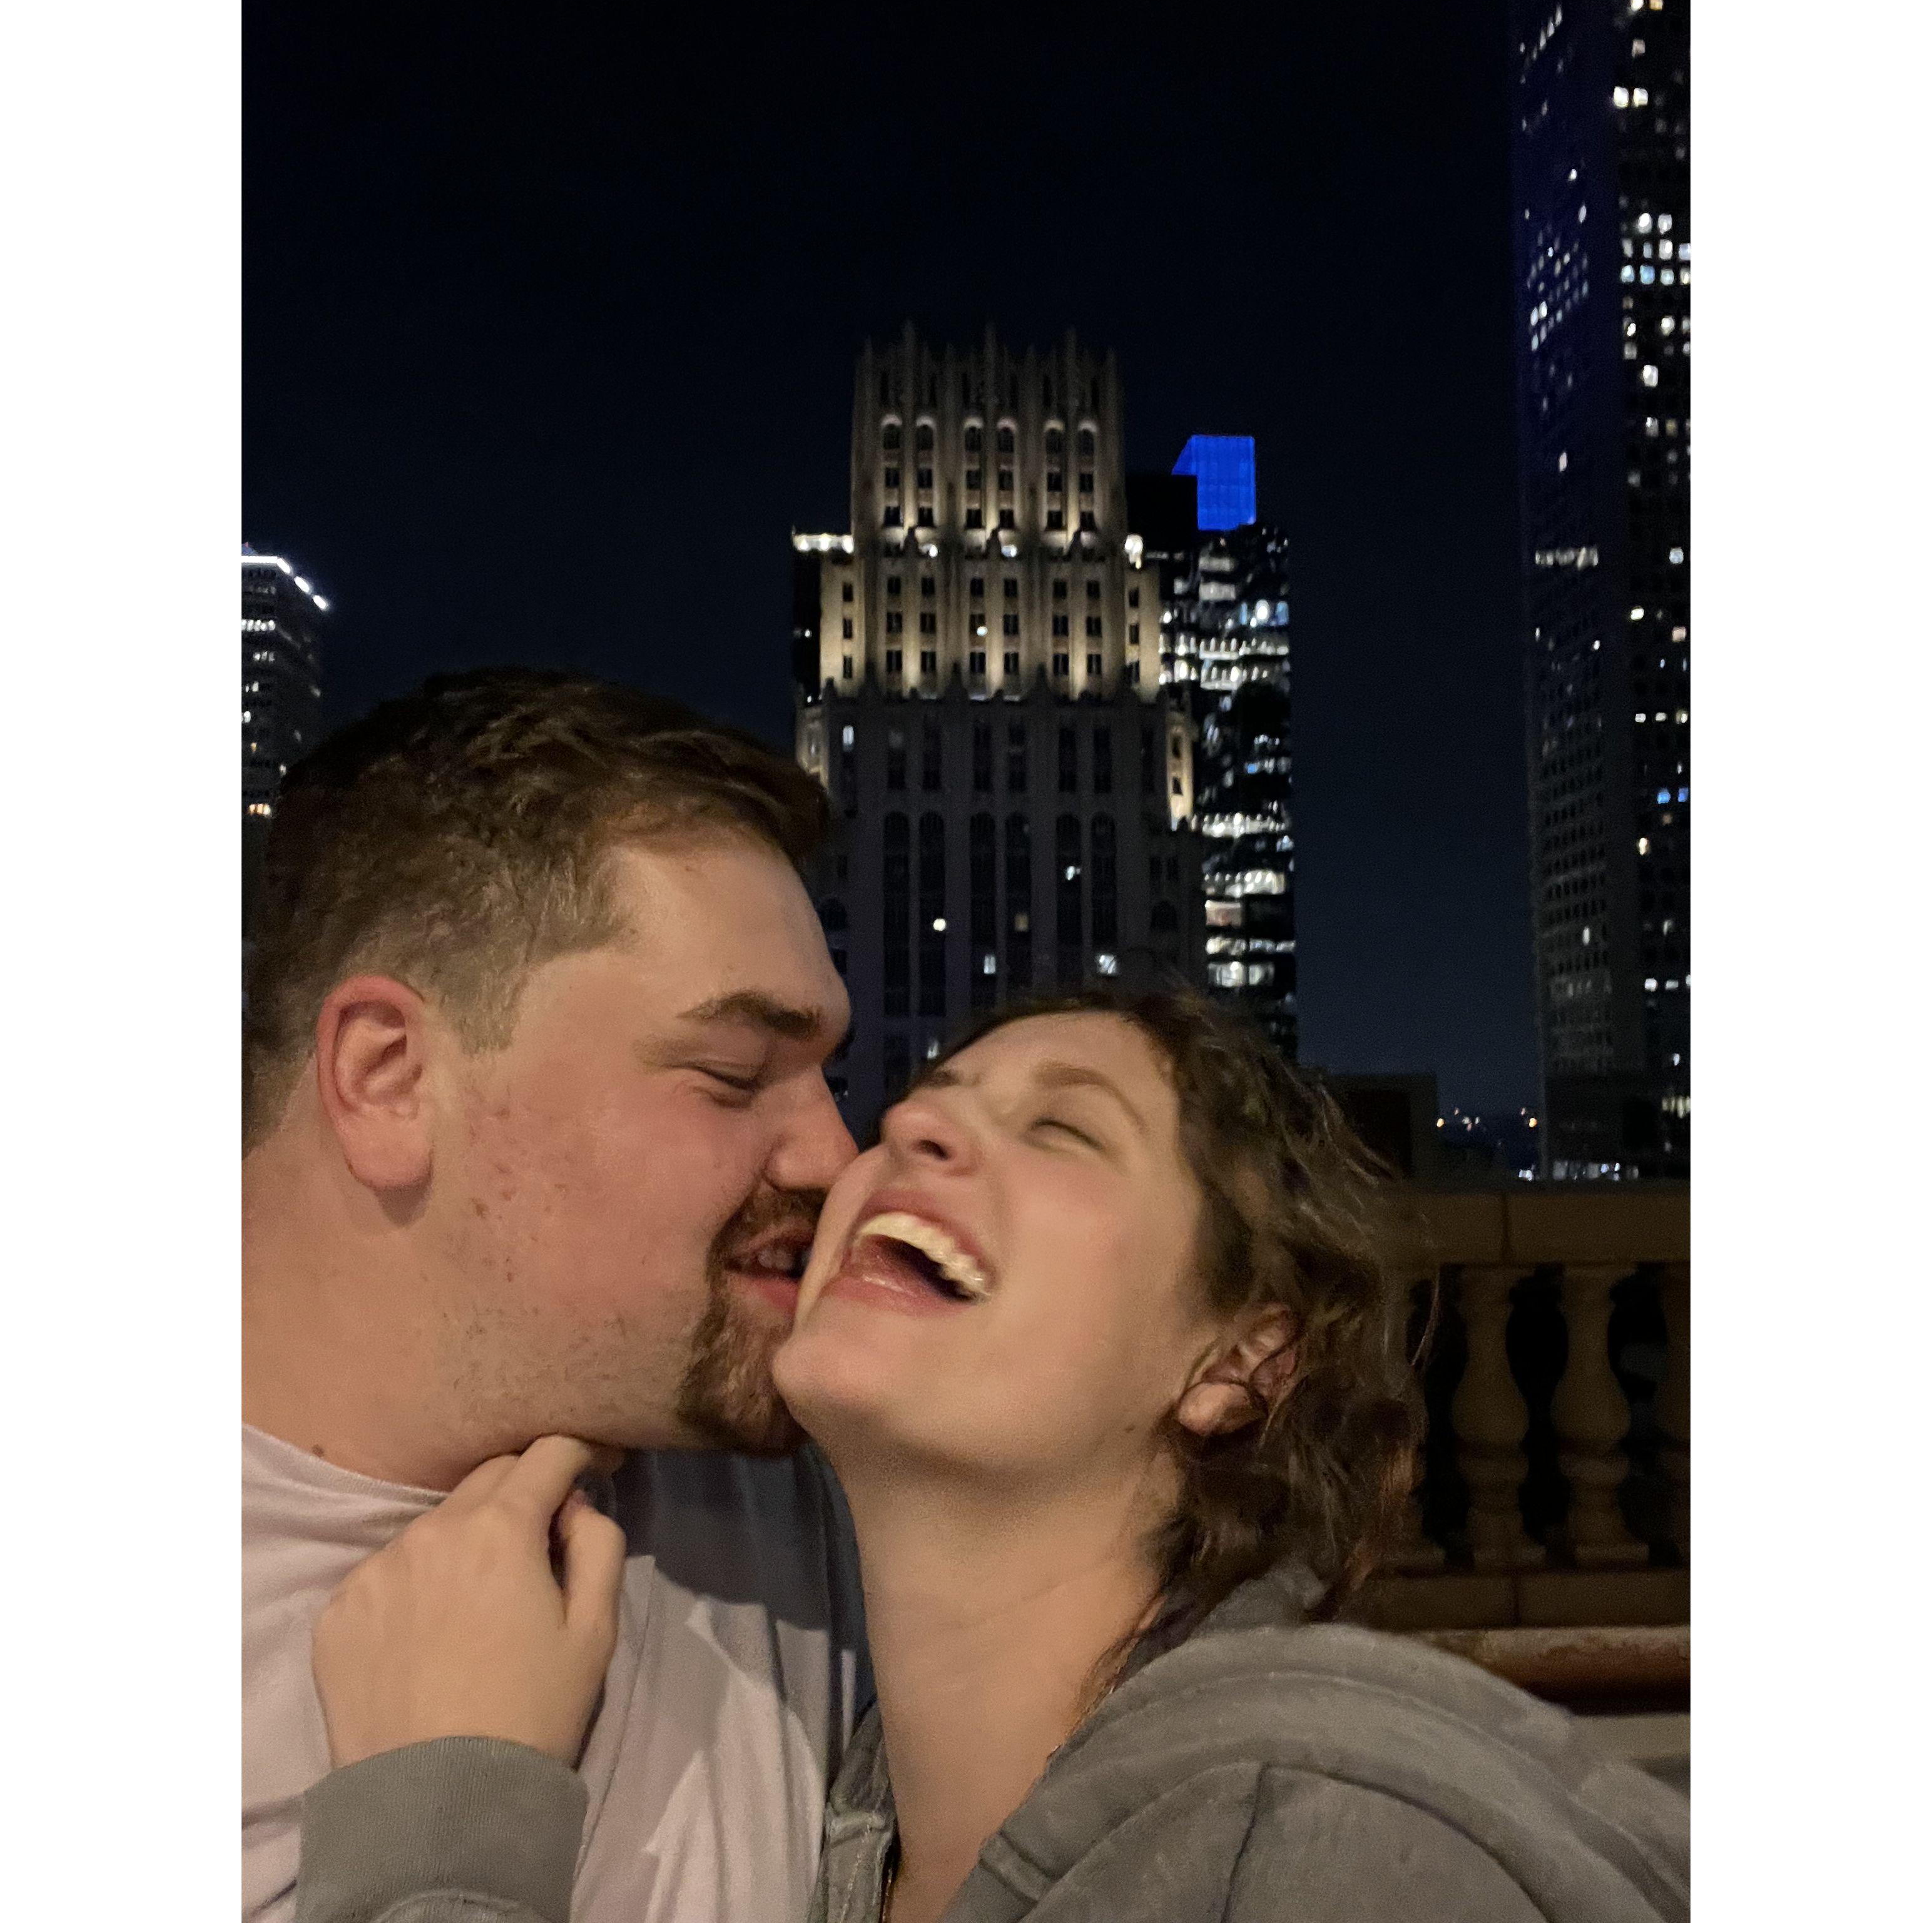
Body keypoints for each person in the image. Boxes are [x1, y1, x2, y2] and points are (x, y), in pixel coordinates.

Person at [292, 988, 1690, 1923]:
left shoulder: (1326, 1848)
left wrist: (444, 1826)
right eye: (924, 1098)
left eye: (1062, 1128)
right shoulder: (845, 1845)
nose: (903, 1122)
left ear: (1236, 1361)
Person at [243, 669, 872, 1923]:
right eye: (735, 1072)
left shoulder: (814, 1478)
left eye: (823, 1076)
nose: (837, 1160)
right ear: (389, 1078)